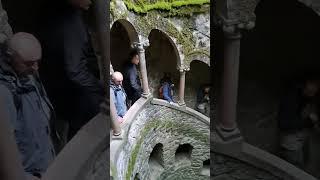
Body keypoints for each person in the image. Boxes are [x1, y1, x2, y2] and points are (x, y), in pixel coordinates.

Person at [38, 0, 105, 141]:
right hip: (76, 96)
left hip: (59, 93)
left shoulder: (56, 14)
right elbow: (75, 70)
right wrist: (100, 88)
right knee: (81, 137)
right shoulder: (71, 21)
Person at [0, 32, 55, 180]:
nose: (36, 68)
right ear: (9, 58)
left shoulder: (27, 74)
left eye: (37, 62)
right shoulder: (4, 93)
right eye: (29, 63)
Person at [278, 79, 319, 168]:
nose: (313, 93)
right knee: (294, 170)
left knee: (303, 166)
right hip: (291, 145)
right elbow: (284, 124)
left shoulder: (307, 98)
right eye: (310, 90)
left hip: (301, 140)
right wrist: (309, 121)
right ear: (304, 86)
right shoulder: (290, 99)